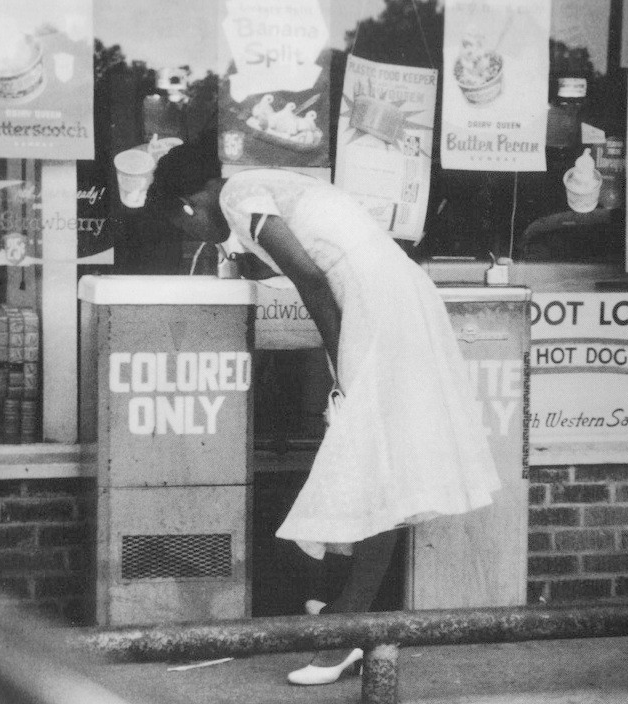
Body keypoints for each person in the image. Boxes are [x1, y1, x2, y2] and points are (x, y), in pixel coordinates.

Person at [151, 139, 501, 686]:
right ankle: (342, 612)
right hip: (393, 293)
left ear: (187, 205)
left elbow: (310, 277)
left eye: (182, 228)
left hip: (374, 306)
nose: (193, 237)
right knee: (379, 461)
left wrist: (339, 361)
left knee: (373, 457)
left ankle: (344, 630)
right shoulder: (262, 185)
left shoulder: (239, 196)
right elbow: (311, 251)